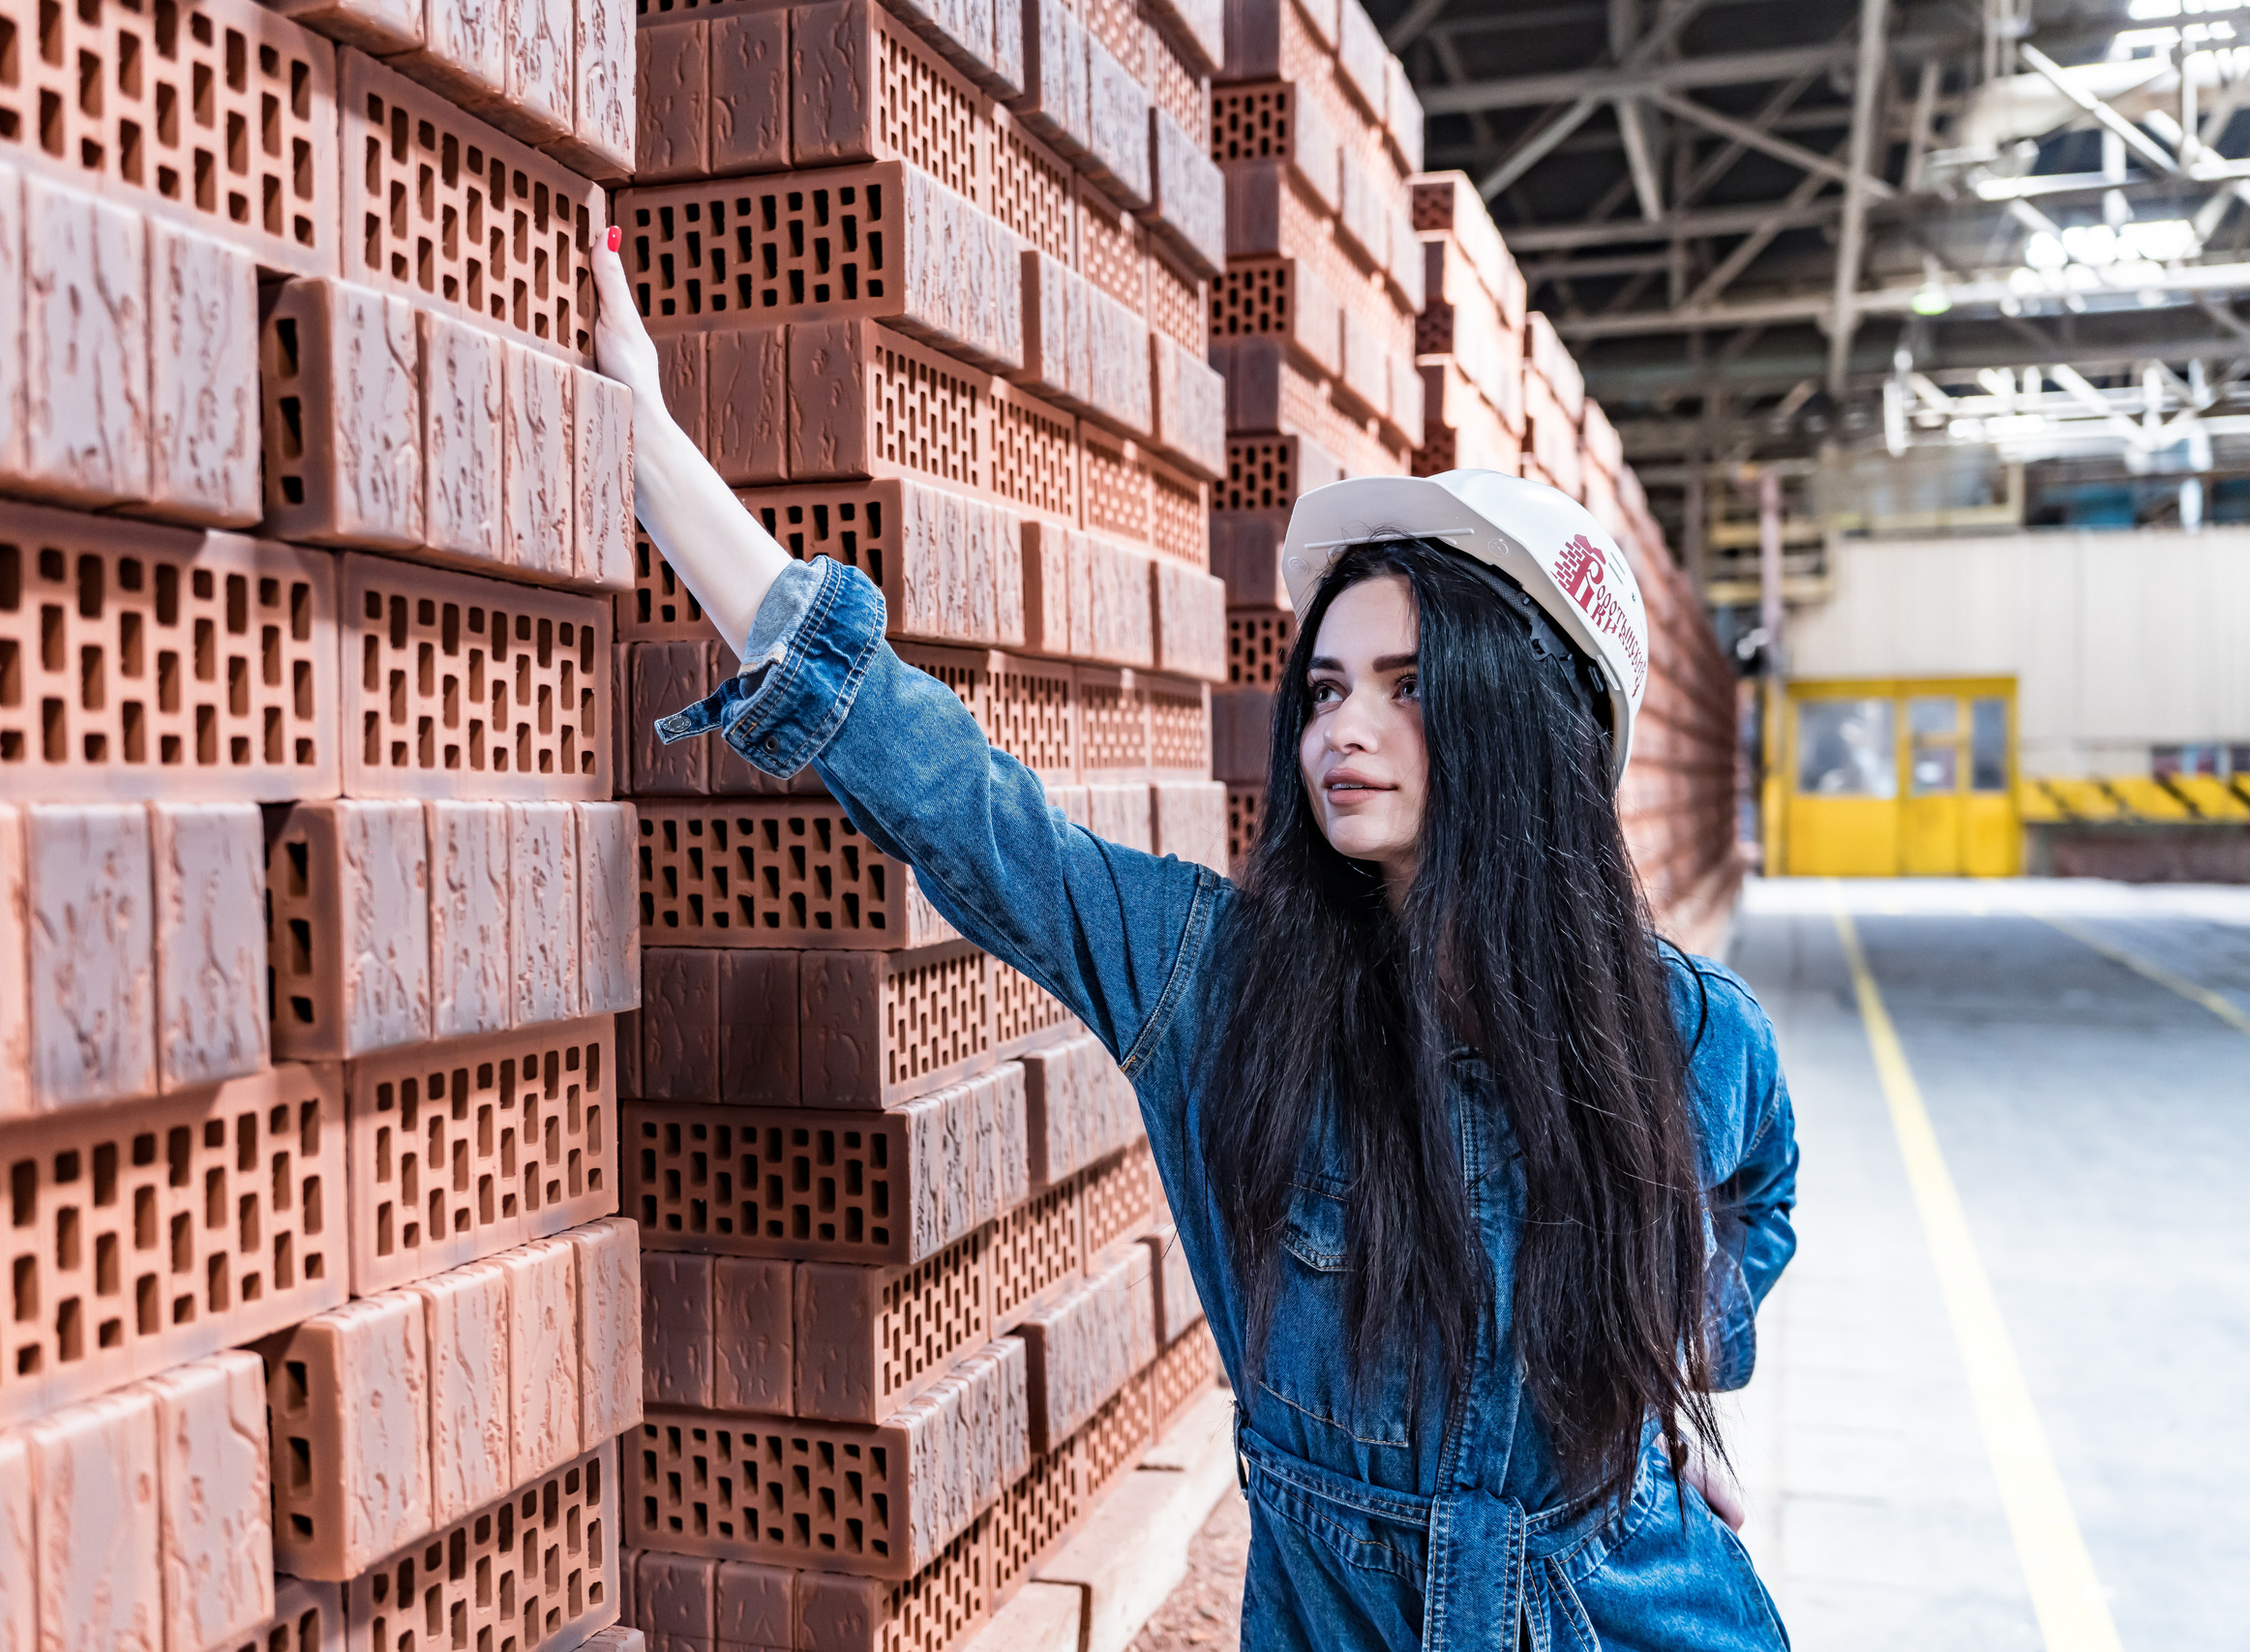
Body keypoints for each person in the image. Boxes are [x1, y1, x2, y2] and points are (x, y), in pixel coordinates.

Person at [589, 233, 1799, 1651]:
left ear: (1525, 726)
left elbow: (1756, 1200)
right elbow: (970, 813)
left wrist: (1649, 1371)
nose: (1340, 729)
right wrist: (654, 453)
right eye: (1329, 686)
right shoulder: (1221, 987)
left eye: (1409, 690)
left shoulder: (1695, 1030)